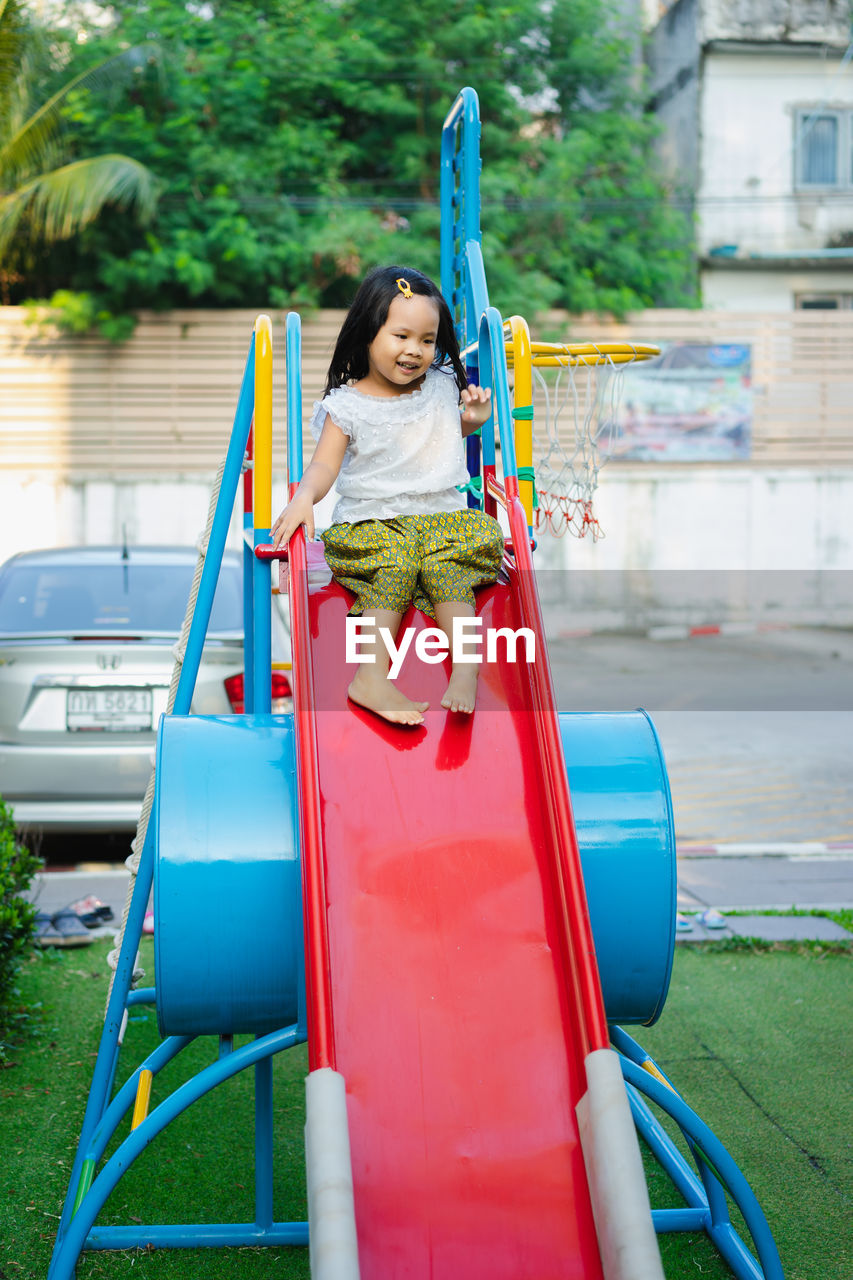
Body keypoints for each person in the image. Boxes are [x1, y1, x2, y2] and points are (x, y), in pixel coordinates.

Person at [271, 265, 504, 726]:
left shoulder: (440, 384)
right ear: (368, 334)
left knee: (454, 557)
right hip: (372, 524)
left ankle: (467, 666)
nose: (415, 351)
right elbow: (324, 465)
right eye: (401, 336)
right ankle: (370, 676)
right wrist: (304, 496)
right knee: (398, 560)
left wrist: (472, 421)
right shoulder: (347, 404)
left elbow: (437, 436)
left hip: (440, 517)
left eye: (427, 339)